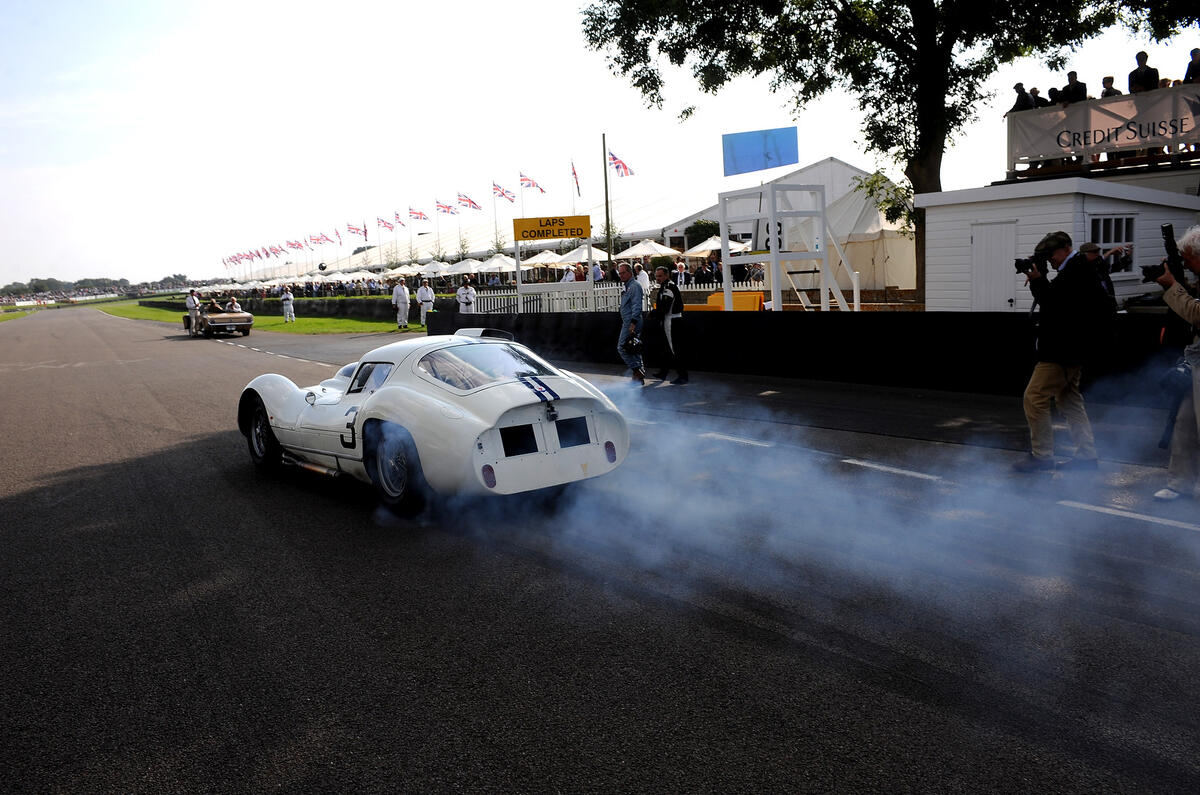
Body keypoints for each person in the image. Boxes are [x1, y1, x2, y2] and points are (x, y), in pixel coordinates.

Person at [1014, 231, 1114, 472]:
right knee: (1069, 400)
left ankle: (1042, 456)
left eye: (1051, 254)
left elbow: (1056, 306)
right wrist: (1041, 279)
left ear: (1066, 248)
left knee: (1034, 397)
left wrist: (1039, 280)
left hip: (1061, 351)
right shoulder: (1078, 270)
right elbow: (1057, 301)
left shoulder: (1076, 271)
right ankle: (1087, 456)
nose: (1050, 260)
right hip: (1073, 350)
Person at [1151, 226, 1200, 500]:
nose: (1187, 264)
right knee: (1184, 423)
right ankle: (1180, 482)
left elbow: (1196, 313)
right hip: (1196, 359)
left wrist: (1173, 286)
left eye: (1189, 258)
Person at [650, 265, 688, 384]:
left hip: (672, 320)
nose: (658, 278)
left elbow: (665, 307)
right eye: (656, 276)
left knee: (674, 348)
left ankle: (683, 376)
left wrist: (654, 313)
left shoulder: (669, 287)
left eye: (660, 276)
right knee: (666, 347)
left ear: (666, 275)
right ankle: (663, 372)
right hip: (668, 319)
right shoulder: (665, 286)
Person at [616, 263, 645, 384]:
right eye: (619, 273)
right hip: (630, 321)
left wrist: (633, 323)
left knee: (622, 347)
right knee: (634, 348)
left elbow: (637, 306)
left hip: (631, 322)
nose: (620, 275)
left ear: (629, 273)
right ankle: (638, 373)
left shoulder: (634, 286)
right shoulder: (629, 286)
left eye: (623, 273)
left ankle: (638, 372)